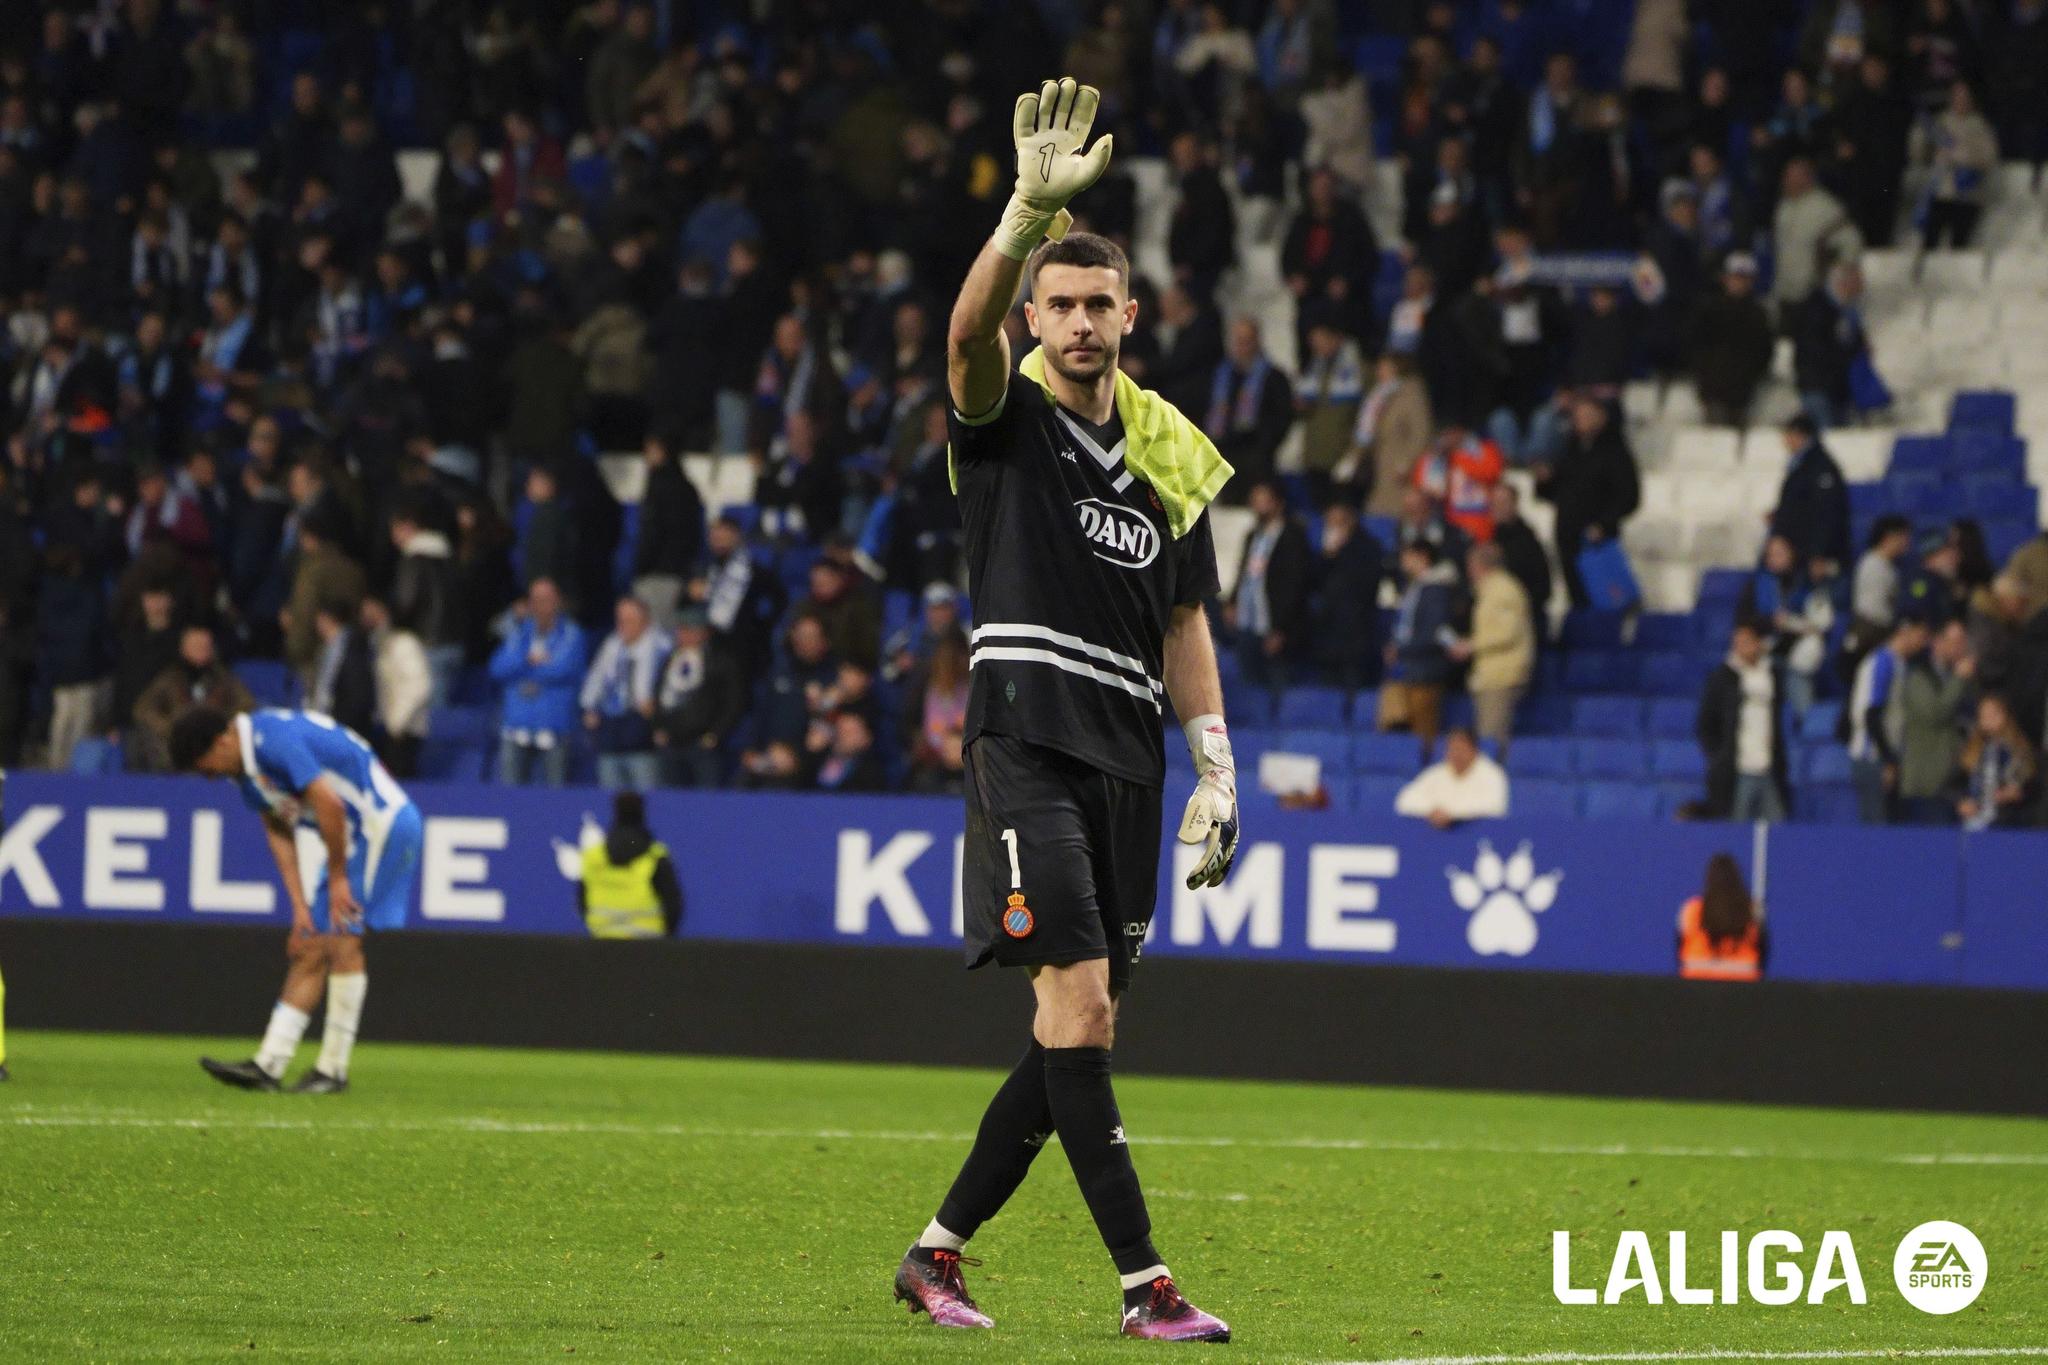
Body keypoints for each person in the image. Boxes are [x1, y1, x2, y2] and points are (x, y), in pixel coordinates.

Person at [893, 79, 1232, 1344]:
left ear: (1129, 316)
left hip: (1126, 763)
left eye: (1100, 304)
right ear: (1036, 316)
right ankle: (1145, 1287)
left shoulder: (1162, 461)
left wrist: (1215, 767)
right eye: (1060, 303)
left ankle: (934, 1257)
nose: (1080, 322)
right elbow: (960, 339)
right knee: (1080, 1011)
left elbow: (1186, 622)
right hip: (1024, 742)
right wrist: (1021, 216)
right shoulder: (1005, 425)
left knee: (1069, 1029)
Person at [172, 705, 423, 1094]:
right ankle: (269, 1065)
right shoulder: (246, 767)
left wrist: (338, 878)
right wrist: (299, 907)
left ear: (223, 740)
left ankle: (332, 1070)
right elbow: (276, 826)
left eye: (207, 767)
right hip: (355, 836)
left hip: (380, 825)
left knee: (342, 939)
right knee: (311, 945)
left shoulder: (271, 739)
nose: (210, 777)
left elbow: (329, 802)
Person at [1534, 395, 1640, 608]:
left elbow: (1629, 496)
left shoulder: (1615, 451)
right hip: (1567, 537)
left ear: (1602, 417)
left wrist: (1604, 524)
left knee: (1603, 599)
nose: (1581, 420)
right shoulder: (1569, 450)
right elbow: (1553, 493)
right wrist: (1544, 480)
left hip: (1596, 541)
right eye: (1578, 416)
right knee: (1577, 598)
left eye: (1588, 415)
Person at [490, 578, 588, 787]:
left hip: (553, 725)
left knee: (555, 797)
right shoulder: (518, 633)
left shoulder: (572, 634)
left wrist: (523, 673)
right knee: (510, 797)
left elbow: (564, 669)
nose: (541, 605)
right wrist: (527, 660)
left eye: (547, 599)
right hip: (516, 723)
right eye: (536, 600)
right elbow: (498, 668)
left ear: (558, 601)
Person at [1697, 619, 1791, 822]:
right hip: (1737, 770)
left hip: (1769, 768)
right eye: (1737, 643)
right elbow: (1705, 723)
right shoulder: (1722, 678)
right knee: (1737, 829)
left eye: (1746, 642)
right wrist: (1719, 756)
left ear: (1758, 643)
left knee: (1778, 828)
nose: (1741, 648)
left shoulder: (1772, 675)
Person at [131, 624, 255, 772]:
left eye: (205, 646)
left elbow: (247, 705)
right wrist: (170, 728)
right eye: (196, 646)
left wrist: (223, 725)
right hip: (176, 745)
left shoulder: (224, 679)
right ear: (183, 649)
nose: (201, 651)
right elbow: (143, 709)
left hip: (215, 743)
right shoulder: (170, 679)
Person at [1227, 479, 1311, 691]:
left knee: (1278, 684)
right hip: (1248, 621)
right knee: (1248, 687)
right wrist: (1233, 601)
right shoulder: (1253, 536)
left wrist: (1281, 628)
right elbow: (1244, 574)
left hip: (1274, 625)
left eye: (1263, 500)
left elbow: (1294, 585)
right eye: (1255, 501)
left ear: (1278, 503)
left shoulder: (1292, 537)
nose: (1258, 506)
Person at [1381, 538, 1460, 760]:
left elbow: (1435, 632)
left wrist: (1402, 649)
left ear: (1422, 556)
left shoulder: (1437, 590)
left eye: (1407, 555)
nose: (1402, 561)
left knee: (1422, 737)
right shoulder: (1414, 587)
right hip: (1403, 671)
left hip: (1424, 673)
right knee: (1393, 730)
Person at [581, 595, 670, 792]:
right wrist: (591, 706)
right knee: (610, 798)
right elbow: (596, 678)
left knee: (646, 799)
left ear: (645, 621)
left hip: (643, 732)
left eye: (630, 621)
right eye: (620, 620)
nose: (623, 626)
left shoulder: (662, 647)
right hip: (611, 731)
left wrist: (658, 715)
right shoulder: (612, 645)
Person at [1453, 544, 1534, 755]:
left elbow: (1508, 632)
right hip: (1490, 675)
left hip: (1501, 676)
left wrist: (1471, 644)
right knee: (1487, 735)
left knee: (1492, 739)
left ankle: (1493, 781)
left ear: (1479, 566)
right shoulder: (1490, 589)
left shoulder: (1503, 590)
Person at [1850, 616, 1932, 823]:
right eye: (1921, 636)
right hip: (1872, 757)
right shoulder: (1882, 662)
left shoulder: (1900, 664)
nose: (1923, 643)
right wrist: (1888, 760)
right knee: (1877, 827)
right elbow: (1872, 715)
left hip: (1886, 757)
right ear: (1905, 631)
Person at [652, 607, 745, 788]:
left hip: (703, 745)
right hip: (671, 743)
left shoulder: (720, 661)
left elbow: (733, 702)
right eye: (681, 629)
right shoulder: (670, 660)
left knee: (707, 801)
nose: (682, 634)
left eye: (688, 630)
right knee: (671, 800)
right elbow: (658, 694)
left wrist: (716, 734)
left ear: (703, 633)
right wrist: (658, 726)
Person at [577, 791, 684, 939]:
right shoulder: (655, 856)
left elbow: (582, 902)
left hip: (602, 941)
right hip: (648, 945)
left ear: (615, 813)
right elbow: (674, 905)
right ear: (642, 813)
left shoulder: (593, 856)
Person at [1898, 619, 1975, 823]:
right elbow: (1935, 714)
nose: (1960, 648)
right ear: (1937, 642)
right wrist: (1959, 679)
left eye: (1962, 642)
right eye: (1954, 641)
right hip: (1926, 782)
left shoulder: (1963, 680)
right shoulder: (1919, 677)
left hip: (1954, 783)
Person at [1770, 416, 1853, 581]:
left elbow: (1828, 512)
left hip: (1817, 557)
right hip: (1800, 553)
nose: (1784, 441)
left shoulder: (1820, 466)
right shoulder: (1801, 465)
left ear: (1798, 435)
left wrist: (1819, 554)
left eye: (1787, 435)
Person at [361, 595, 431, 780]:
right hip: (383, 729)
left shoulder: (405, 643)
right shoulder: (376, 643)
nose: (366, 615)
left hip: (404, 732)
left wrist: (397, 723)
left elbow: (419, 686)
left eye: (372, 609)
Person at [1954, 692, 2039, 830]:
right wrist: (1962, 801)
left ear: (2006, 716)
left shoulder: (2021, 751)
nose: (1989, 719)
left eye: (1994, 714)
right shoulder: (1970, 750)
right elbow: (1952, 786)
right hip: (1973, 823)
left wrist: (2017, 793)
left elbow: (2034, 787)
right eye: (1984, 715)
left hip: (2009, 825)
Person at [1393, 727, 1510, 826]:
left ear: (1474, 750)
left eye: (1461, 749)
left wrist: (1453, 814)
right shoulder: (1436, 773)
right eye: (1452, 749)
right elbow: (1405, 800)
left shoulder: (1492, 774)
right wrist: (1431, 811)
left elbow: (1495, 807)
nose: (1456, 754)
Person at [1676, 853, 1765, 981]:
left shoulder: (1691, 910)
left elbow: (1679, 947)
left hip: (1697, 981)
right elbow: (1762, 950)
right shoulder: (1752, 910)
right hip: (1743, 983)